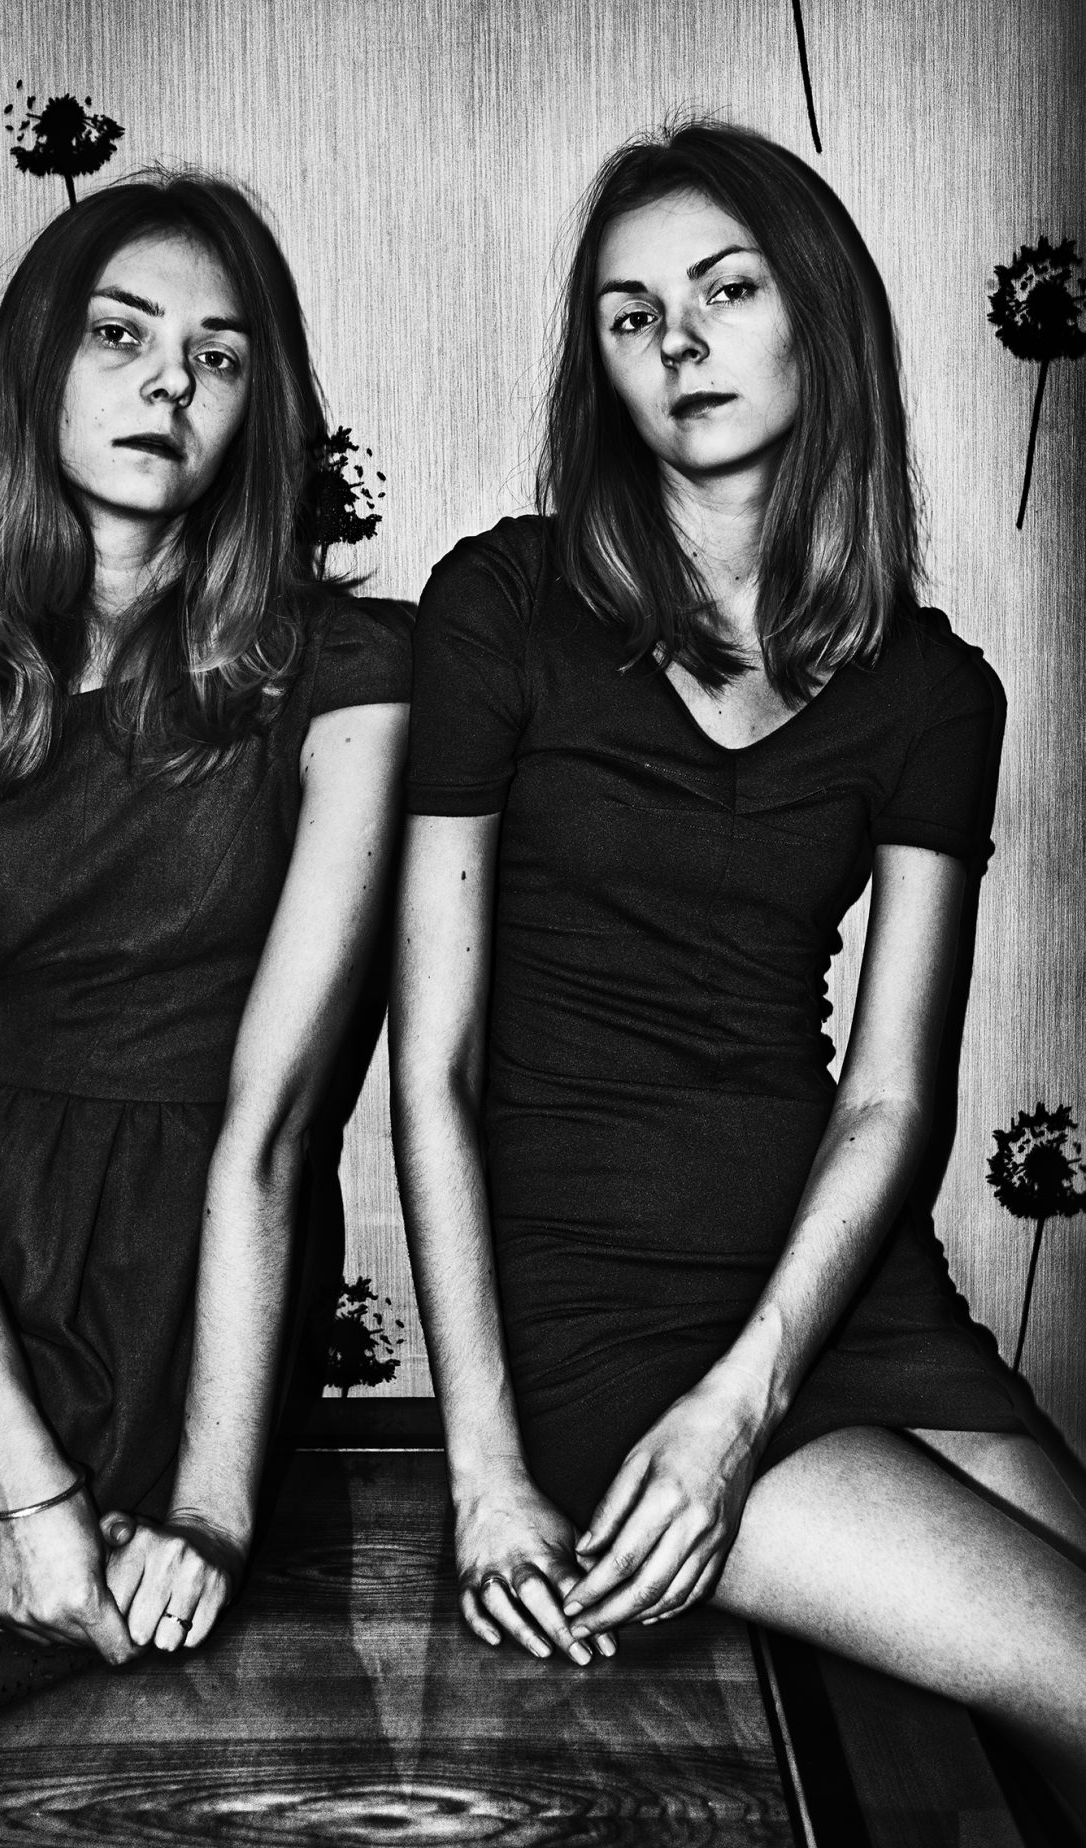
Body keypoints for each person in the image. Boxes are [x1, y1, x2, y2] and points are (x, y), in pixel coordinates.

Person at [393, 123, 1086, 1816]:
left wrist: (752, 1390)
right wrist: (484, 1468)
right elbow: (435, 1065)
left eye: (724, 291)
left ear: (816, 319)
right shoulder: (501, 605)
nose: (678, 343)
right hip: (599, 1317)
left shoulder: (933, 693)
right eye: (630, 316)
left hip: (840, 1298)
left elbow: (893, 1095)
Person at [0, 174, 411, 1730]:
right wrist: (11, 1478)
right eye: (120, 336)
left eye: (218, 356)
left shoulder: (349, 673)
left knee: (100, 1611)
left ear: (255, 411)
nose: (169, 384)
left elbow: (275, 1125)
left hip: (186, 1284)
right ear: (37, 370)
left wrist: (210, 1504)